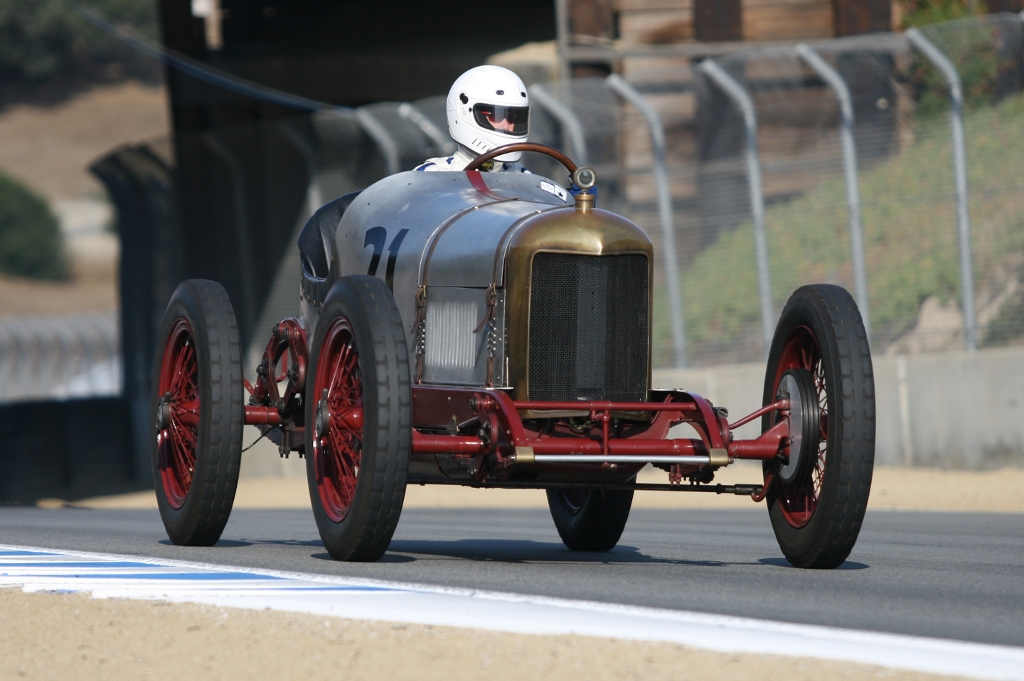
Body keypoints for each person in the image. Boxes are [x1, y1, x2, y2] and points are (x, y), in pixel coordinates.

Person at [415, 65, 532, 174]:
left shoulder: (526, 179)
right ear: (464, 111)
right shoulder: (432, 176)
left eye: (515, 118)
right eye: (497, 116)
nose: (507, 126)